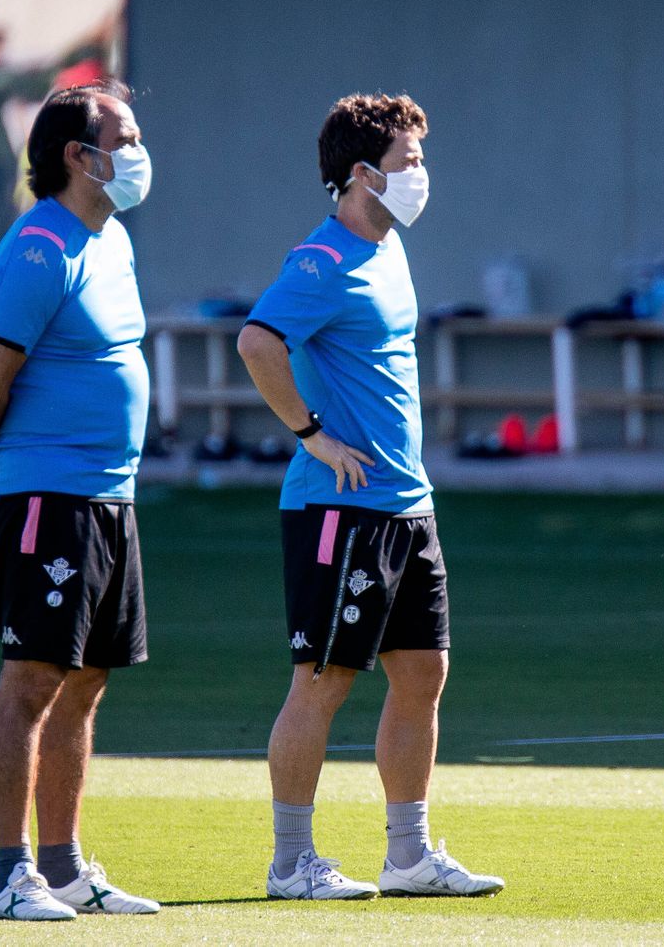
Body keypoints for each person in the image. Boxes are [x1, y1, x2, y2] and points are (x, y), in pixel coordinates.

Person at [237, 93, 504, 901]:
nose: (421, 176)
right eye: (408, 163)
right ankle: (292, 863)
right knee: (321, 683)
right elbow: (256, 342)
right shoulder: (320, 261)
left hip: (405, 506)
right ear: (361, 174)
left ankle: (409, 856)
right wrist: (312, 433)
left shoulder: (390, 250)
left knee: (424, 672)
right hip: (339, 509)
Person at [0, 78, 161, 921]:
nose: (140, 154)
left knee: (86, 683)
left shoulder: (110, 241)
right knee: (33, 679)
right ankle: (12, 875)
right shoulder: (41, 246)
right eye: (128, 138)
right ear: (79, 154)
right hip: (49, 495)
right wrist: (18, 463)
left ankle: (67, 869)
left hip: (110, 495)